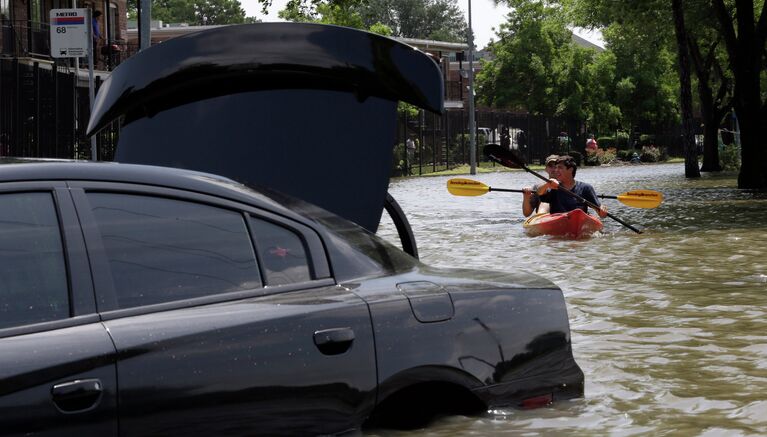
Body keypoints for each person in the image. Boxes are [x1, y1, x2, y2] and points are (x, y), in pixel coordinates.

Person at [535, 155, 608, 218]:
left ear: (570, 170)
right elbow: (539, 192)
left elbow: (601, 214)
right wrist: (547, 184)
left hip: (578, 222)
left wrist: (602, 210)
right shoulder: (554, 187)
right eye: (556, 167)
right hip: (558, 222)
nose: (556, 170)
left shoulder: (586, 188)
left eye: (560, 167)